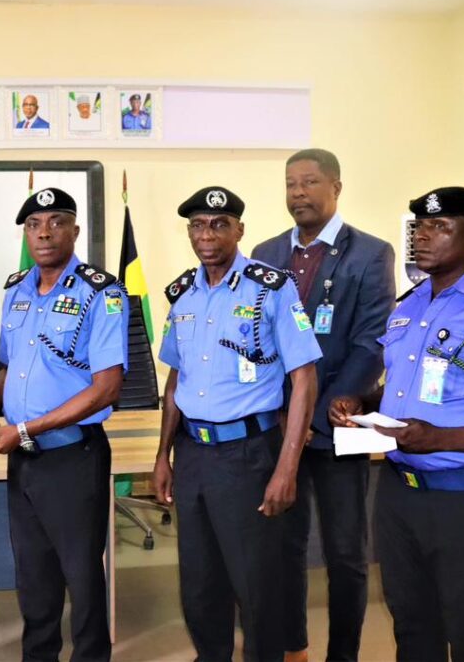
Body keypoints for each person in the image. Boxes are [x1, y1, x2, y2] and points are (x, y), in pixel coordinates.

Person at [330, 187, 464, 662]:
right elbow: (405, 385)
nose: (421, 236)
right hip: (400, 494)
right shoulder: (411, 304)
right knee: (412, 627)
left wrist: (439, 439)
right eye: (419, 227)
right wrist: (363, 401)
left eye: (439, 226)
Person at [0, 187, 129, 662]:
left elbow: (106, 388)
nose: (44, 233)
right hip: (25, 460)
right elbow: (10, 367)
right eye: (34, 225)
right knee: (33, 575)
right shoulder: (17, 290)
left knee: (82, 575)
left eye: (56, 222)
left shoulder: (102, 293)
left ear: (75, 230)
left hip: (73, 457)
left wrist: (26, 429)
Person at [152, 186, 322, 662]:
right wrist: (163, 455)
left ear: (239, 230)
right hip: (193, 455)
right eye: (197, 225)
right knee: (200, 584)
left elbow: (304, 379)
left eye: (219, 224)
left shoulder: (272, 288)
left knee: (256, 585)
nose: (207, 235)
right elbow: (176, 380)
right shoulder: (182, 294)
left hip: (249, 455)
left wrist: (286, 468)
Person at [251, 148, 395, 662]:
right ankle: (294, 648)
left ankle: (343, 654)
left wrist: (315, 414)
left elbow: (372, 342)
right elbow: (256, 338)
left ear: (336, 187)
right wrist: (285, 418)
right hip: (277, 426)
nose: (298, 193)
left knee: (346, 553)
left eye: (310, 182)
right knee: (283, 546)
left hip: (337, 424)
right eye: (291, 183)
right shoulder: (266, 253)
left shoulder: (370, 253)